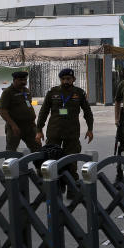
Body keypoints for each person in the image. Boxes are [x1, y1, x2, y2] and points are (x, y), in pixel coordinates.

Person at [36, 68, 94, 197]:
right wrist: (39, 130)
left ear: (73, 79)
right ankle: (54, 188)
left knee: (71, 161)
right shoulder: (52, 93)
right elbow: (43, 112)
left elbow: (87, 112)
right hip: (54, 132)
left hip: (72, 133)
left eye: (68, 78)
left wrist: (90, 129)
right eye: (63, 79)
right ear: (60, 80)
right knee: (52, 160)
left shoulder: (79, 93)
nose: (66, 81)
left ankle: (72, 189)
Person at [0, 71, 41, 152]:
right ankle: (10, 164)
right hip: (15, 127)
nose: (23, 82)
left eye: (25, 80)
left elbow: (28, 106)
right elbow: (2, 110)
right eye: (21, 80)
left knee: (37, 148)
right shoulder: (8, 92)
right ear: (14, 80)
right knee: (11, 151)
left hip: (30, 127)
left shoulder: (26, 91)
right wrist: (13, 125)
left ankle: (40, 165)